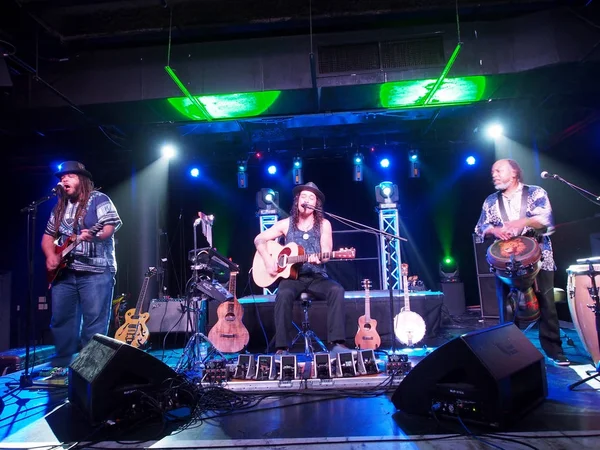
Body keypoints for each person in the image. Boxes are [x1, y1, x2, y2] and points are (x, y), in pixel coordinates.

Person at [474, 159, 569, 366]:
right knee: (506, 307)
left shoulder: (535, 192)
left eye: (499, 170)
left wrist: (523, 222)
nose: (494, 174)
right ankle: (510, 352)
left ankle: (554, 350)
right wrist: (495, 230)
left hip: (539, 256)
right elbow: (480, 227)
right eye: (493, 171)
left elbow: (545, 218)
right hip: (505, 261)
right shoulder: (491, 200)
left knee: (546, 304)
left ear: (514, 172)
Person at [42, 161, 122, 369]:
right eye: (62, 177)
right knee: (60, 321)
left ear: (82, 180)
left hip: (96, 272)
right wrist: (51, 255)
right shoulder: (59, 207)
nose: (64, 179)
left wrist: (93, 236)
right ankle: (60, 367)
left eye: (70, 176)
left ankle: (91, 370)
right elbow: (47, 237)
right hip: (65, 273)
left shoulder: (99, 199)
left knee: (94, 324)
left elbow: (108, 227)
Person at [254, 182, 347, 355]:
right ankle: (282, 347)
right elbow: (259, 239)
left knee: (337, 290)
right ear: (297, 201)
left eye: (312, 197)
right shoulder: (286, 224)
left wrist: (319, 257)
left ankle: (337, 343)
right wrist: (267, 260)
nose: (307, 199)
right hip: (292, 278)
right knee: (283, 294)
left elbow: (326, 250)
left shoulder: (324, 224)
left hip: (316, 276)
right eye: (304, 196)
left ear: (316, 204)